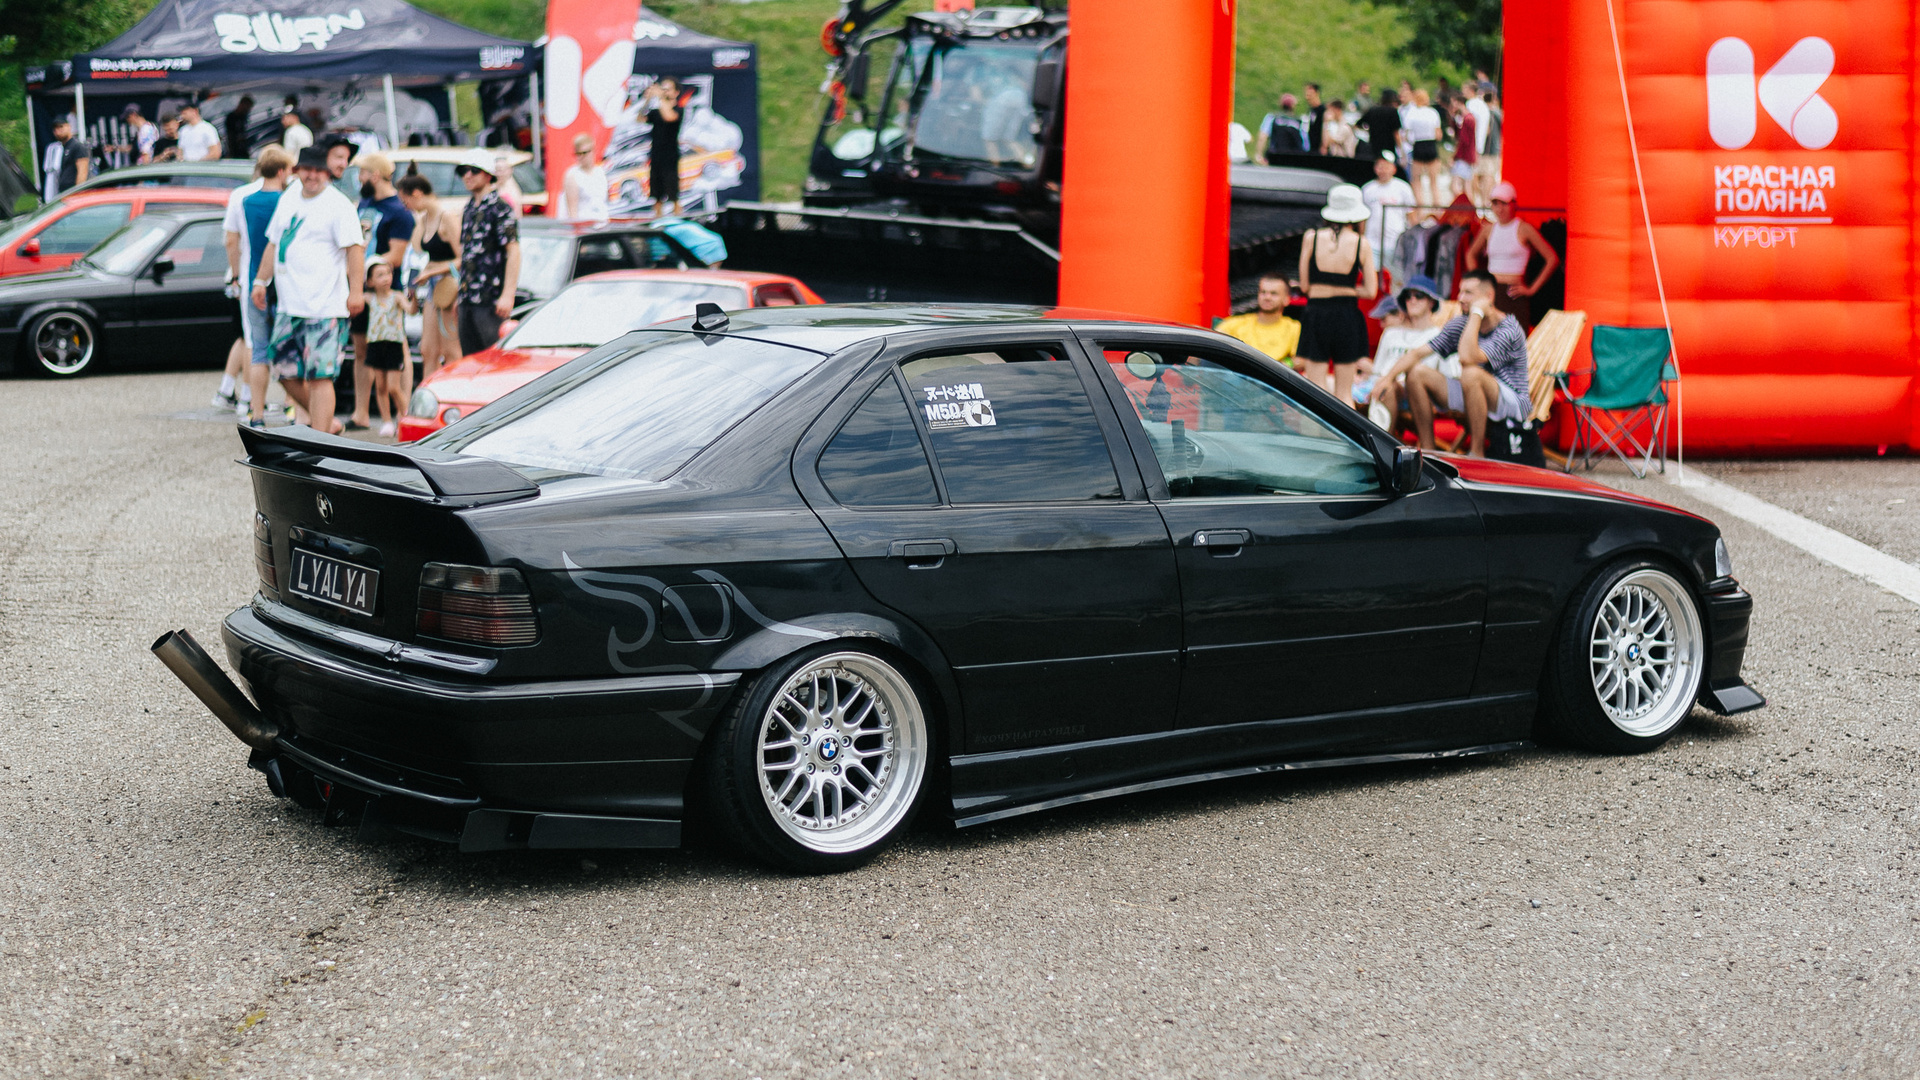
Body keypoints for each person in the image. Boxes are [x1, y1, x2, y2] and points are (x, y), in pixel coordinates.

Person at [249, 146, 365, 434]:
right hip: (290, 304)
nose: (312, 176)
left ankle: (322, 439)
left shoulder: (338, 204)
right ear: (297, 171)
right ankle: (328, 423)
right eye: (307, 170)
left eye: (318, 171)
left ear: (327, 173)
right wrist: (260, 281)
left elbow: (355, 249)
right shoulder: (289, 196)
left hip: (324, 306)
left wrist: (356, 291)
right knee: (283, 370)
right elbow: (274, 242)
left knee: (319, 376)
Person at [1380, 270, 1528, 457]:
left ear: (1488, 297)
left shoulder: (1509, 329)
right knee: (1417, 372)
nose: (1460, 298)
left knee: (1470, 373)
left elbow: (1467, 358)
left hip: (1511, 399)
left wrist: (1476, 314)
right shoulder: (1461, 322)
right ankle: (1428, 451)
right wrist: (1387, 379)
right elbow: (1417, 353)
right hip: (1472, 391)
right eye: (1460, 291)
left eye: (1468, 293)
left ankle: (1477, 451)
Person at [216, 146, 293, 418]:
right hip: (284, 278)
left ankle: (251, 404)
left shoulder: (244, 199)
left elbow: (231, 240)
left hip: (252, 276)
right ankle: (291, 404)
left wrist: (236, 275)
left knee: (254, 343)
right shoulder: (288, 200)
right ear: (282, 171)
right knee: (289, 343)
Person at [343, 152, 415, 430]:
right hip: (360, 289)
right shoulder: (364, 204)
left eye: (361, 173)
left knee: (397, 351)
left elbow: (395, 256)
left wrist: (365, 267)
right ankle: (360, 412)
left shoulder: (398, 211)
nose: (359, 179)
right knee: (362, 348)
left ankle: (403, 412)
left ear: (374, 175)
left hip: (387, 292)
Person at [1294, 184, 1379, 406]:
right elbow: (1371, 291)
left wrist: (1325, 288)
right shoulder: (1361, 243)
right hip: (1347, 315)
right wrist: (1346, 289)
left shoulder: (1311, 238)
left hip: (1316, 314)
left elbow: (1305, 286)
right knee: (1344, 394)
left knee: (1315, 390)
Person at [1466, 182, 1559, 329]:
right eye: (1495, 204)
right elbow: (1470, 254)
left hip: (1514, 293)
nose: (1500, 209)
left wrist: (1532, 289)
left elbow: (1552, 258)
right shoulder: (1488, 230)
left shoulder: (1524, 228)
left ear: (1514, 204)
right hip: (1492, 291)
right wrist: (1479, 281)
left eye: (1504, 203)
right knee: (1489, 335)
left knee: (1515, 337)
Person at [454, 147, 520, 355]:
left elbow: (514, 251)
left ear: (488, 174)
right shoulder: (469, 209)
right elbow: (466, 255)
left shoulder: (500, 208)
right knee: (471, 360)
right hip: (467, 299)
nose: (467, 175)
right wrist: (460, 294)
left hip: (491, 300)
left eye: (474, 170)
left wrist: (508, 294)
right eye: (463, 171)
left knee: (494, 358)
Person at [1359, 274, 1447, 425]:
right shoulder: (1391, 333)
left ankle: (1381, 439)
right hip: (1379, 385)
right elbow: (1378, 370)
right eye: (1408, 296)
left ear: (1431, 302)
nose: (1412, 300)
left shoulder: (1438, 335)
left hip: (1415, 392)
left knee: (1388, 389)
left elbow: (1443, 376)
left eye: (1419, 296)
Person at [398, 171, 461, 378]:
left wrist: (435, 270)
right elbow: (416, 252)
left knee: (451, 350)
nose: (405, 206)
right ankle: (429, 392)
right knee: (428, 349)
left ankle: (454, 391)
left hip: (448, 284)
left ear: (417, 194)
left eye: (406, 201)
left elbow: (463, 258)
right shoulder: (424, 219)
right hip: (431, 284)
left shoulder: (447, 217)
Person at [362, 261, 413, 437]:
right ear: (370, 281)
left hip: (393, 344)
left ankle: (407, 417)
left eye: (388, 273)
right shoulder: (369, 298)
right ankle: (387, 421)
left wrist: (413, 298)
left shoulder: (397, 296)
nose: (385, 278)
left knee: (393, 387)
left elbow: (410, 310)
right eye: (380, 275)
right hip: (375, 343)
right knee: (381, 386)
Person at [1215, 273, 1301, 365]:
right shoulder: (1234, 323)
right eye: (1263, 292)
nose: (1267, 297)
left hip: (1274, 373)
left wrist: (1285, 364)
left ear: (1287, 299)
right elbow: (1214, 345)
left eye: (1274, 294)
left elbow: (1301, 361)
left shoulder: (1294, 328)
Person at [1360, 151, 1416, 269]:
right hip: (1372, 243)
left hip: (1395, 244)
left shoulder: (1403, 188)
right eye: (1380, 166)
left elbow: (1411, 215)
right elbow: (1362, 218)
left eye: (1386, 166)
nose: (1383, 170)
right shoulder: (1367, 189)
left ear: (1393, 169)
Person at [645, 77, 684, 216]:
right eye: (663, 89)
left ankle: (678, 217)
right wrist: (647, 100)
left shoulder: (678, 110)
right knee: (656, 195)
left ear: (676, 92)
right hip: (656, 155)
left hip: (670, 157)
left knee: (673, 193)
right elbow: (640, 118)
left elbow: (669, 117)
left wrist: (660, 97)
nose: (664, 92)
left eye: (668, 89)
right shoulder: (656, 112)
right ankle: (657, 219)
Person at [1403, 89, 1444, 213]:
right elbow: (1438, 135)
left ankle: (1420, 207)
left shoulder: (1411, 113)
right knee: (1434, 181)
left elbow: (1406, 135)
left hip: (1418, 145)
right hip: (1431, 145)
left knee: (1416, 180)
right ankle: (1436, 206)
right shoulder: (1433, 113)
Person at [562, 133, 611, 222]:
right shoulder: (572, 175)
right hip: (584, 224)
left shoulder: (601, 172)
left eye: (584, 153)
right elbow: (572, 211)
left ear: (593, 151)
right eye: (578, 154)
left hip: (602, 221)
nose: (581, 157)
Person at [39, 117, 89, 203]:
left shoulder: (77, 146)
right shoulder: (61, 149)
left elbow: (82, 172)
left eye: (61, 127)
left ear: (69, 127)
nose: (58, 131)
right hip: (64, 194)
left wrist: (78, 194)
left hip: (74, 195)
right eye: (55, 129)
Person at [1358, 88, 1401, 169]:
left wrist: (1368, 130)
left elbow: (1358, 124)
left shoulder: (1372, 110)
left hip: (1374, 145)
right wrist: (1401, 149)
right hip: (1389, 145)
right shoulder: (1393, 112)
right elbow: (1396, 133)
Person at [1256, 93, 1306, 161]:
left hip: (1275, 156)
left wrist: (1259, 155)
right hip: (1295, 158)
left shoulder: (1272, 117)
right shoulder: (1300, 121)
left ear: (1281, 105)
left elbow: (1262, 137)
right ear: (1293, 106)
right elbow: (1305, 142)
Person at [1475, 89, 1503, 204]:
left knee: (1486, 176)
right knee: (1489, 175)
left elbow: (1486, 131)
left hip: (1486, 150)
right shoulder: (1497, 113)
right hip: (1495, 149)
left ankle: (1485, 201)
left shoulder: (1485, 113)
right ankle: (1488, 200)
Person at [1448, 95, 1478, 200]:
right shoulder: (1468, 118)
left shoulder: (1467, 119)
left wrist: (1455, 156)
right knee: (1466, 186)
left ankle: (1462, 205)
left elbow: (1463, 141)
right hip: (1468, 156)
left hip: (1463, 156)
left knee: (1455, 185)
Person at [1301, 84, 1326, 157]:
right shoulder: (1311, 111)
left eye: (1310, 95)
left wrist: (1323, 146)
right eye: (1306, 95)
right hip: (1311, 149)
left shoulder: (1323, 111)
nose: (1307, 98)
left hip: (1319, 150)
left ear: (1317, 94)